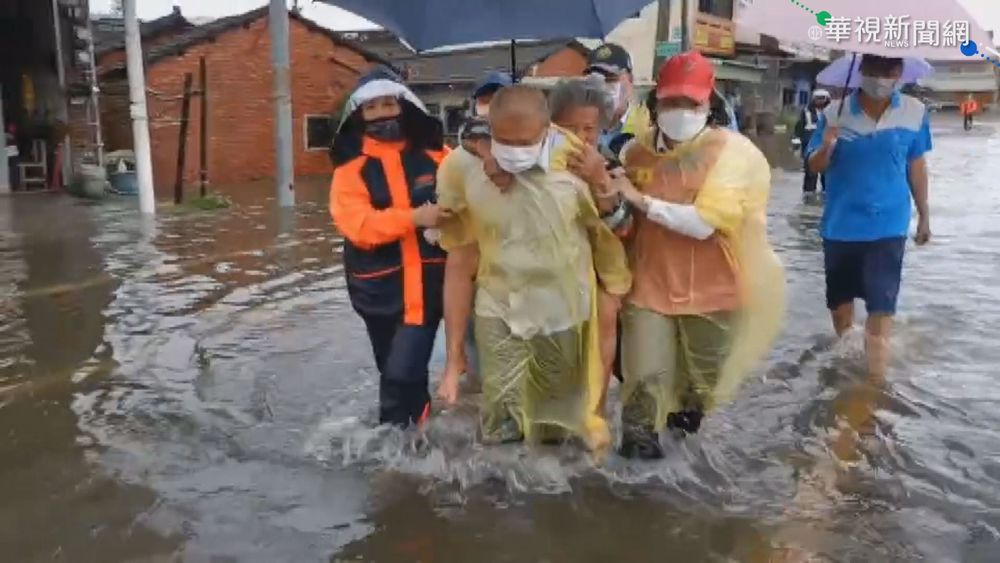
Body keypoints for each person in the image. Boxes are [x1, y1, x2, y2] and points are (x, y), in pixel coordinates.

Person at [435, 84, 631, 450]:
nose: (516, 152)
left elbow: (619, 229)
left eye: (526, 143)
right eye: (505, 142)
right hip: (499, 307)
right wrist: (453, 358)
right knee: (500, 418)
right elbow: (459, 264)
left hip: (563, 311)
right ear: (490, 132)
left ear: (548, 130)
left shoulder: (577, 160)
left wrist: (602, 181)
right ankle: (500, 482)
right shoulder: (464, 167)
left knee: (556, 424)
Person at [613, 51, 786, 459]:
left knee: (698, 393)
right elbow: (618, 219)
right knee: (643, 386)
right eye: (671, 101)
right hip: (649, 288)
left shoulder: (734, 154)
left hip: (716, 291)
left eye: (690, 102)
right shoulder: (634, 153)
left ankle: (684, 465)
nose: (680, 110)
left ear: (709, 102)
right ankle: (635, 476)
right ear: (656, 101)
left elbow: (704, 223)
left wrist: (639, 199)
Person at [329, 66, 451, 427]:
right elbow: (358, 226)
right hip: (378, 292)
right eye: (371, 108)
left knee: (400, 376)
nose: (382, 113)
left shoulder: (438, 155)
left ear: (404, 105)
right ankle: (416, 441)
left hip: (428, 289)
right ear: (359, 115)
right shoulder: (350, 170)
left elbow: (469, 194)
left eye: (388, 104)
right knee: (394, 372)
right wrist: (415, 217)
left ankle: (394, 444)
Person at [807, 54, 932, 379]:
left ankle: (876, 383)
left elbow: (916, 166)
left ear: (899, 72)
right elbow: (813, 166)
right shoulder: (834, 114)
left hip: (889, 225)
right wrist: (827, 147)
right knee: (841, 308)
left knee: (881, 304)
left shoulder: (914, 112)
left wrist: (924, 215)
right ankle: (843, 369)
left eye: (889, 70)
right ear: (861, 70)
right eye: (875, 69)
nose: (881, 77)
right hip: (841, 226)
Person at [585, 43, 651, 160]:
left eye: (610, 78)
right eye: (594, 80)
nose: (602, 86)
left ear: (630, 80)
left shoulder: (646, 129)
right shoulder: (578, 125)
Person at [795, 89, 831, 193]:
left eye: (822, 98)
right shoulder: (806, 111)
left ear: (827, 99)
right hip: (810, 146)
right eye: (817, 98)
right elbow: (799, 128)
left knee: (827, 177)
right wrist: (797, 142)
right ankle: (808, 197)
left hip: (826, 147)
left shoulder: (832, 112)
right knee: (810, 176)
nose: (820, 101)